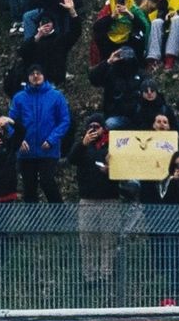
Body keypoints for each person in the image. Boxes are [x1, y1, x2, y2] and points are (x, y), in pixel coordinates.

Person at [66, 112, 120, 282]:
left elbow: (124, 169)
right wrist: (83, 143)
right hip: (87, 200)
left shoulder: (113, 145)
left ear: (104, 128)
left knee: (108, 240)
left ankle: (106, 275)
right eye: (90, 127)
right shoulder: (82, 146)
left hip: (110, 199)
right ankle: (89, 276)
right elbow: (71, 159)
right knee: (87, 240)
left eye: (97, 127)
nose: (94, 130)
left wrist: (111, 170)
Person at [8, 63, 70, 202]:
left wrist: (52, 139)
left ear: (44, 76)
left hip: (48, 149)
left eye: (38, 73)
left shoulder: (56, 96)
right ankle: (32, 216)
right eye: (32, 74)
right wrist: (18, 139)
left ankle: (61, 214)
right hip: (26, 151)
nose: (35, 76)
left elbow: (64, 121)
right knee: (29, 187)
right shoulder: (19, 97)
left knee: (47, 181)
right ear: (28, 77)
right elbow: (10, 121)